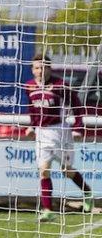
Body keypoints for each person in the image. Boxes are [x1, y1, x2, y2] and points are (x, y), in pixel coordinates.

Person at [24, 54, 93, 222]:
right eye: (37, 67)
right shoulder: (29, 87)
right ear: (33, 70)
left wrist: (77, 127)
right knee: (44, 170)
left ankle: (88, 193)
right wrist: (31, 127)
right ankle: (48, 210)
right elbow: (33, 110)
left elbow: (76, 106)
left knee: (66, 171)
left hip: (60, 131)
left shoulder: (61, 85)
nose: (40, 70)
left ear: (49, 68)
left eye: (44, 67)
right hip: (42, 133)